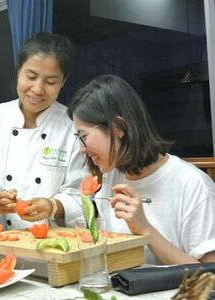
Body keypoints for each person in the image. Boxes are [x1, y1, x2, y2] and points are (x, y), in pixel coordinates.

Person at [67, 73, 215, 265]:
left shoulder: (192, 185)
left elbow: (210, 280)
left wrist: (145, 230)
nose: (82, 148)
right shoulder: (110, 177)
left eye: (83, 136)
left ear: (118, 127)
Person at [0, 32, 87, 229]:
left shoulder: (73, 126)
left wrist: (53, 205)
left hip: (54, 247)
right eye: (31, 76)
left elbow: (81, 196)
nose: (37, 89)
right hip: (1, 243)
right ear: (19, 70)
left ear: (63, 82)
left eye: (51, 81)